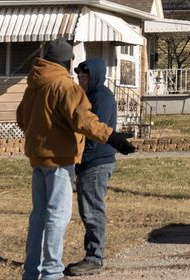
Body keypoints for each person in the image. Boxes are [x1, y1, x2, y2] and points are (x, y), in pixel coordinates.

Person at [17, 38, 133, 280]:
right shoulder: (65, 87)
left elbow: (21, 119)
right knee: (57, 216)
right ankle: (51, 272)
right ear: (66, 62)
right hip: (60, 161)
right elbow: (84, 120)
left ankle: (31, 272)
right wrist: (113, 137)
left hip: (38, 160)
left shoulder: (33, 86)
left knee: (38, 216)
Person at [68, 58, 119, 276]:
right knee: (87, 209)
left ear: (95, 76)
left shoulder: (102, 97)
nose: (81, 79)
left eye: (85, 76)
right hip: (87, 162)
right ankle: (92, 254)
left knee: (92, 210)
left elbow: (97, 133)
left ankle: (94, 257)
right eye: (79, 76)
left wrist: (79, 157)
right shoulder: (86, 96)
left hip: (97, 162)